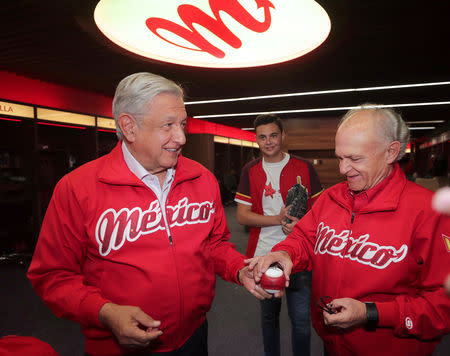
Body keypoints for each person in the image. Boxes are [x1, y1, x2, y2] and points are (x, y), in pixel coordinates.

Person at [27, 72, 259, 356]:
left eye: (183, 124)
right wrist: (105, 312)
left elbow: (215, 243)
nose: (181, 137)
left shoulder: (203, 179)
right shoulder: (77, 189)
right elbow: (52, 275)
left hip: (194, 336)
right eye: (168, 126)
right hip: (117, 347)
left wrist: (238, 267)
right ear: (129, 127)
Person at [249, 105, 450, 356]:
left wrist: (371, 313)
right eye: (340, 157)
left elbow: (443, 305)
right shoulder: (331, 198)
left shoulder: (430, 214)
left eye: (355, 159)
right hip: (332, 343)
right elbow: (303, 238)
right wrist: (286, 254)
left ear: (391, 152)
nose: (343, 169)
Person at [235, 114, 323, 356]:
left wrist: (301, 226)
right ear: (256, 140)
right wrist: (276, 219)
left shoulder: (304, 167)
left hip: (300, 256)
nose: (268, 142)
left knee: (301, 322)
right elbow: (242, 215)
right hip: (263, 256)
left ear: (283, 136)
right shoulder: (249, 170)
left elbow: (320, 212)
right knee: (269, 320)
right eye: (262, 137)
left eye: (273, 135)